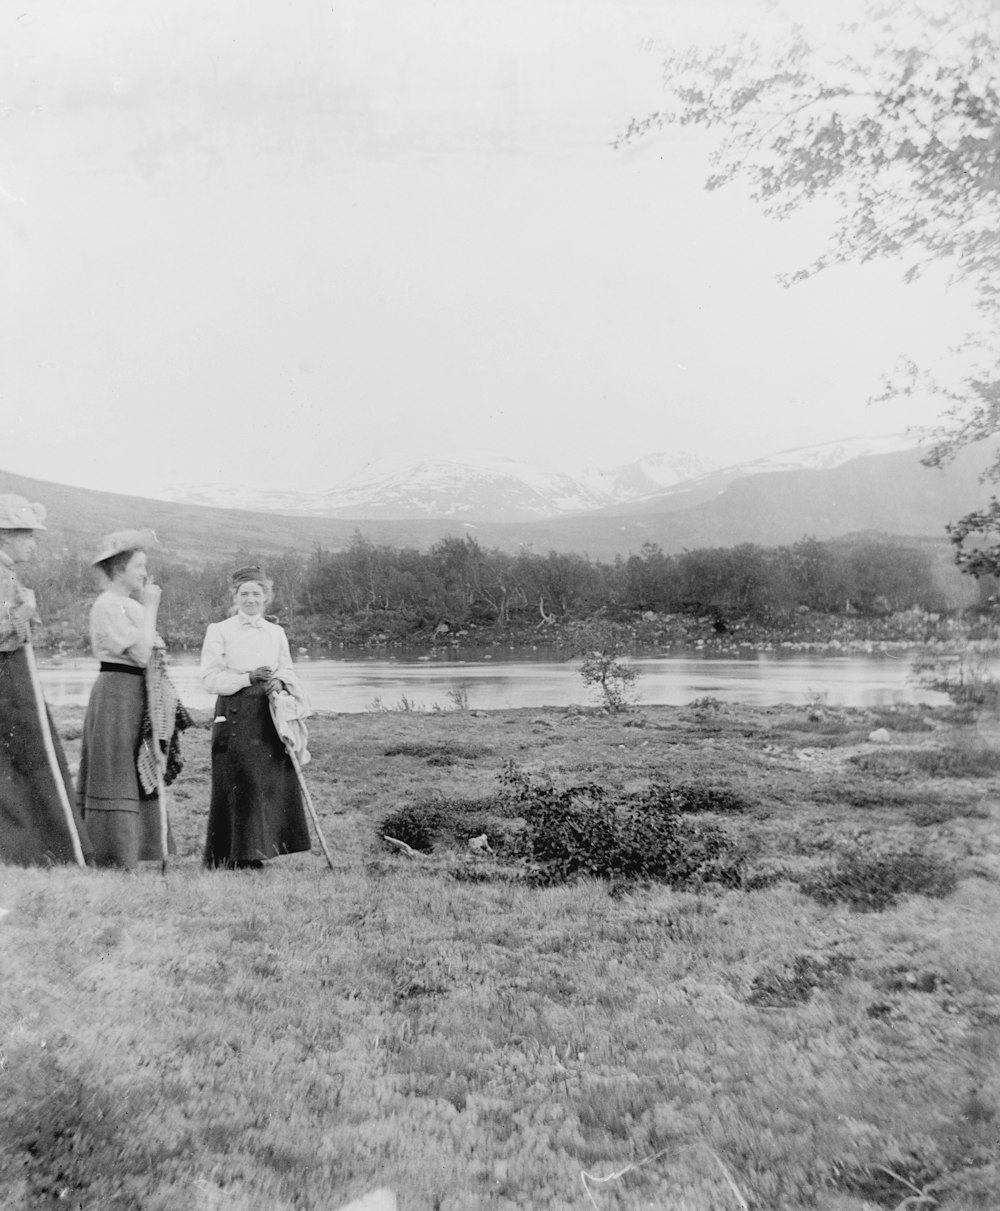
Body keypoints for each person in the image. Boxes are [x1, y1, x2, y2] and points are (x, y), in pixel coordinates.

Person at [0, 494, 92, 866]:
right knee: (28, 759)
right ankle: (41, 847)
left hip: (14, 678)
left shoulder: (9, 575)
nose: (33, 545)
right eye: (27, 537)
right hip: (8, 681)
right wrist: (24, 613)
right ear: (5, 535)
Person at [200, 566, 311, 869]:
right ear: (235, 597)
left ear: (266, 597)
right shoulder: (220, 630)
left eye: (256, 593)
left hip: (269, 715)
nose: (250, 599)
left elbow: (287, 669)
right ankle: (235, 856)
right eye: (244, 593)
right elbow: (209, 679)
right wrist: (247, 678)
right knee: (242, 782)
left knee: (266, 782)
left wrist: (280, 681)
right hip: (235, 715)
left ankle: (261, 852)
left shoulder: (276, 633)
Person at [76, 528, 174, 870]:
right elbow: (144, 653)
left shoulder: (128, 605)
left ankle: (137, 848)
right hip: (117, 691)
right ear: (119, 569)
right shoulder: (109, 606)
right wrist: (152, 608)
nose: (144, 574)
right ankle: (112, 851)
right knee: (117, 765)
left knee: (139, 763)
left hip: (135, 692)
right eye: (138, 567)